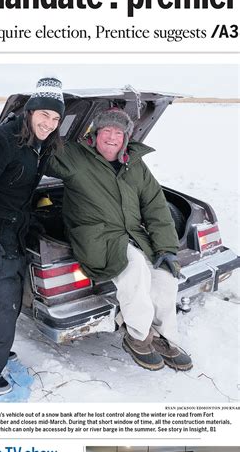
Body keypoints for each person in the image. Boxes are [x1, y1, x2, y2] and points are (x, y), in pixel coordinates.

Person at [46, 108, 192, 371]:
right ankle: (138, 336)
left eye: (118, 132)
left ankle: (164, 337)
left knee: (165, 277)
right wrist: (30, 128)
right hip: (95, 237)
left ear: (125, 137)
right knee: (135, 268)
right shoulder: (74, 156)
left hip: (132, 234)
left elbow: (156, 207)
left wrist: (167, 249)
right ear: (95, 134)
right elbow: (43, 154)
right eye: (106, 131)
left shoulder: (134, 164)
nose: (111, 137)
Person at [0, 77, 65, 394]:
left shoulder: (40, 144)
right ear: (31, 111)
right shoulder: (1, 140)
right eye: (44, 115)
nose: (49, 123)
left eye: (56, 118)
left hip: (14, 233)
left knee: (7, 305)